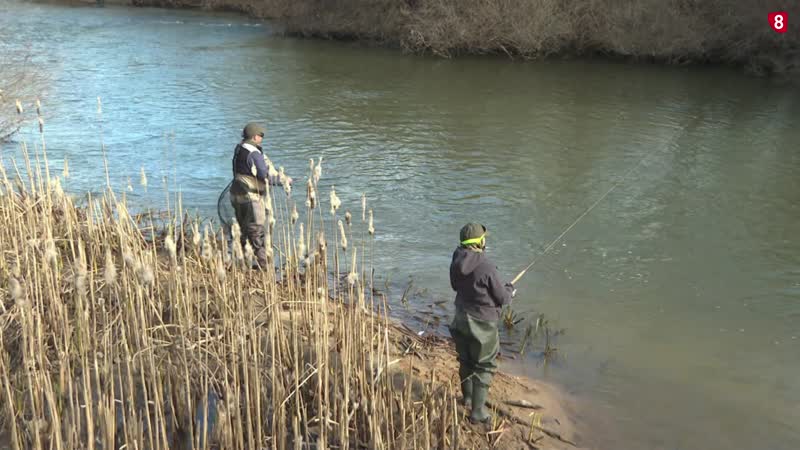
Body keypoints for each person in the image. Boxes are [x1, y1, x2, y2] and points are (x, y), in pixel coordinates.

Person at [449, 223, 516, 423]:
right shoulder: (487, 266)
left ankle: (467, 398)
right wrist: (510, 291)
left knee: (466, 359)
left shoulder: (455, 261)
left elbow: (455, 286)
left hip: (460, 317)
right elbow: (502, 298)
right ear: (480, 242)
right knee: (484, 366)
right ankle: (477, 412)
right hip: (482, 325)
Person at [229, 122, 291, 269]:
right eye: (261, 135)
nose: (262, 138)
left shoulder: (239, 149)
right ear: (255, 136)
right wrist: (284, 180)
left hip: (236, 195)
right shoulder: (255, 154)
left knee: (244, 232)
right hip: (251, 198)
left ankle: (240, 263)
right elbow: (265, 177)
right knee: (257, 233)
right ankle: (265, 267)